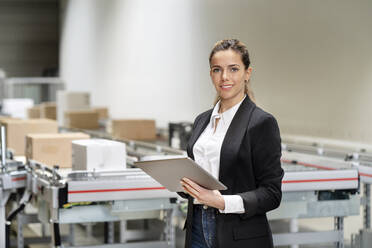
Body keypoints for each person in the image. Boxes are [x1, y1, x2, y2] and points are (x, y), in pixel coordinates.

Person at [180, 39, 284, 248]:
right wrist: (182, 182)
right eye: (217, 70)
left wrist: (222, 202)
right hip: (197, 227)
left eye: (233, 69)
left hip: (238, 236)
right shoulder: (202, 120)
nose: (224, 77)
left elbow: (272, 194)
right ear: (211, 74)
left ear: (247, 73)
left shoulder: (261, 123)